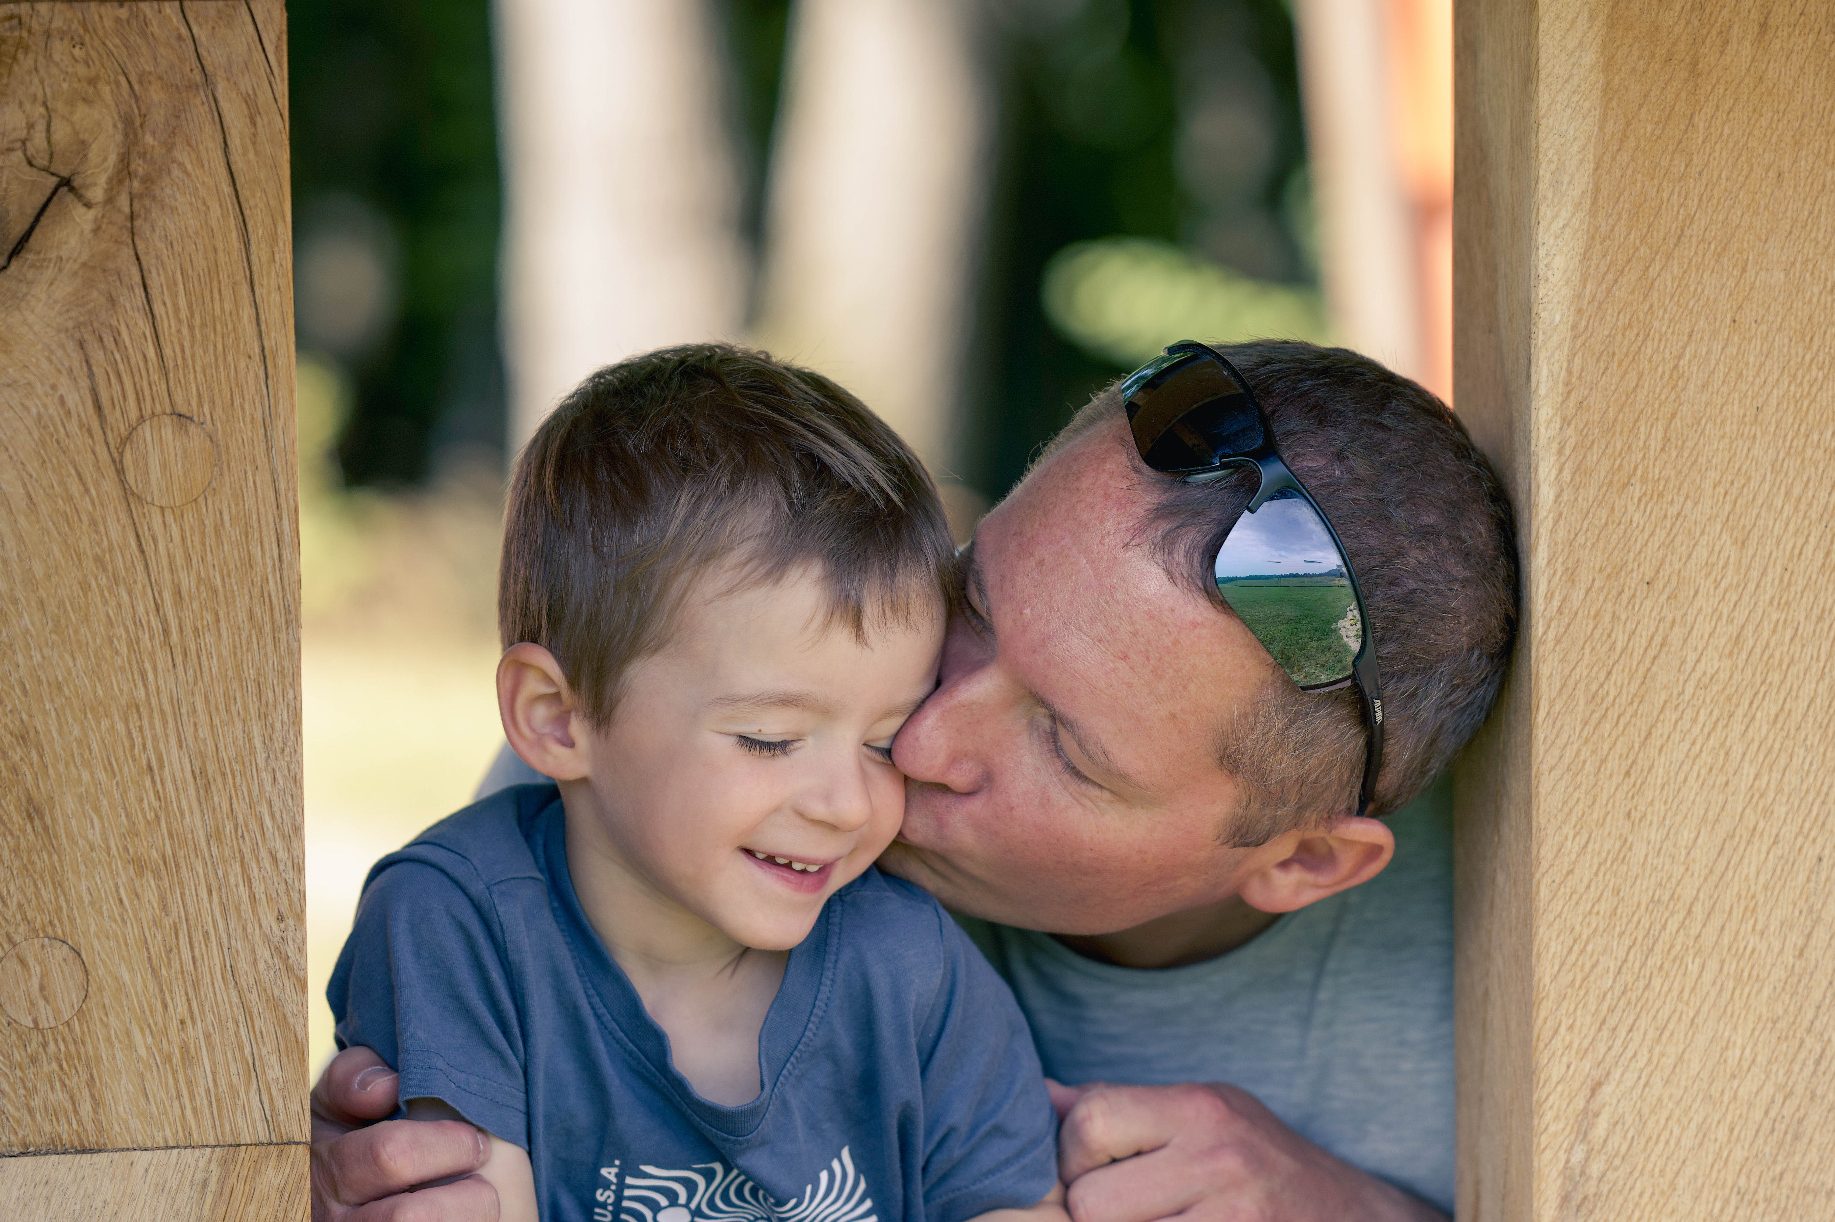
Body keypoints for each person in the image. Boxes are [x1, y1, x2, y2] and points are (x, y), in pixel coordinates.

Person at [312, 339, 1518, 1222]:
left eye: (1064, 747)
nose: (921, 739)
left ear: (1301, 862)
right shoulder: (664, 775)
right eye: (970, 599)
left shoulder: (1511, 982)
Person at [325, 345, 1067, 1220]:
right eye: (768, 739)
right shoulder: (458, 924)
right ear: (556, 718)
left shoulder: (912, 968)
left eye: (884, 742)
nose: (845, 805)